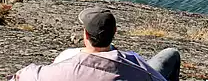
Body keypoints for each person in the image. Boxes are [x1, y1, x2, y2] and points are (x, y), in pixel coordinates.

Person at [12, 7, 180, 81]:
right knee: (171, 54)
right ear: (114, 33)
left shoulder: (62, 62)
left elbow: (20, 76)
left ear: (85, 34)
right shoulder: (134, 63)